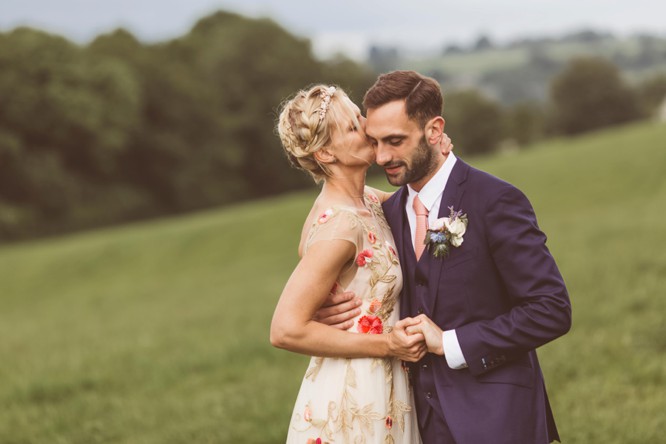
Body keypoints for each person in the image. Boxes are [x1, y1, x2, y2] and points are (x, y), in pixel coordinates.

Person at [318, 71, 572, 443]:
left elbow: (551, 309)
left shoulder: (495, 200)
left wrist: (450, 343)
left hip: (500, 418)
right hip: (418, 423)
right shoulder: (384, 215)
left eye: (395, 141)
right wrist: (337, 306)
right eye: (374, 141)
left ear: (434, 130)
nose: (382, 156)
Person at [270, 84, 453, 443]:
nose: (368, 127)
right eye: (354, 126)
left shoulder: (368, 201)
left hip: (387, 382)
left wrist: (436, 153)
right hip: (355, 394)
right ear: (325, 152)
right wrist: (387, 345)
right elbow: (285, 329)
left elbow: (419, 203)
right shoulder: (339, 226)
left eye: (359, 116)